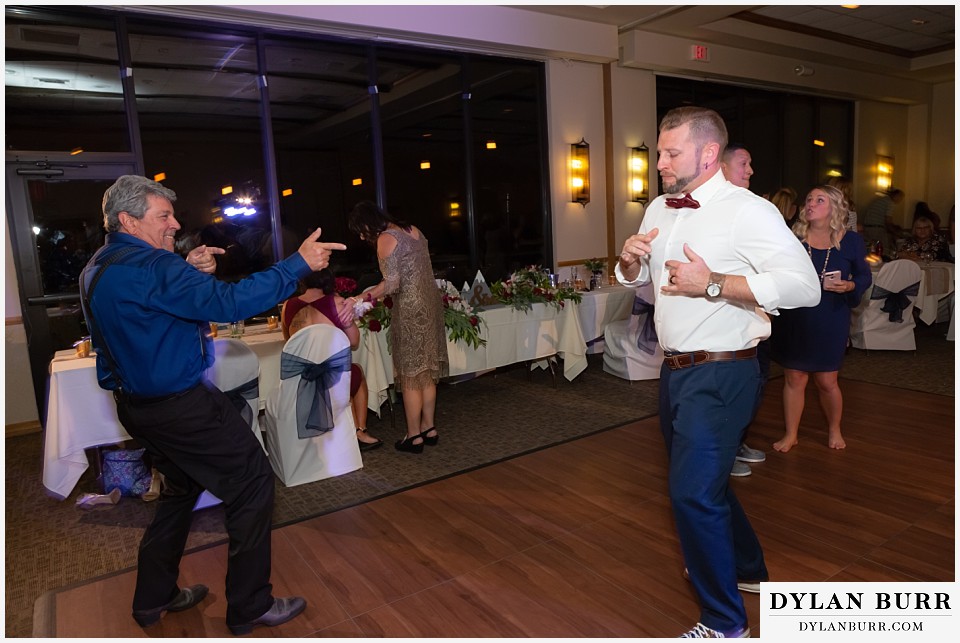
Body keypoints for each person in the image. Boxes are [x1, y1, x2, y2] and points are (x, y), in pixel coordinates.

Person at [80, 175, 346, 635]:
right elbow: (229, 302)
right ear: (127, 219)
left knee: (180, 491)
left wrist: (185, 266)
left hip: (136, 408)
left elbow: (151, 304)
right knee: (254, 483)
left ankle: (154, 598)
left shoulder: (100, 266)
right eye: (163, 215)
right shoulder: (153, 269)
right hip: (181, 408)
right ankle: (250, 606)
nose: (175, 222)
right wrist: (296, 265)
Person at [616, 107, 820, 638]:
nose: (659, 162)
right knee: (708, 488)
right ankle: (749, 570)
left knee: (691, 494)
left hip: (724, 371)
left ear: (708, 154)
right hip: (675, 370)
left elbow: (805, 288)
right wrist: (632, 264)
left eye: (670, 152)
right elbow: (646, 287)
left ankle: (724, 622)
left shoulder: (746, 211)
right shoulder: (660, 206)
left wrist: (713, 284)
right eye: (659, 151)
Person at [770, 185, 871, 452]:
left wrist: (849, 286)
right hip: (796, 316)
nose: (811, 203)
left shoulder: (850, 241)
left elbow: (864, 276)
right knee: (795, 377)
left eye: (820, 199)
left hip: (831, 315)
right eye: (809, 198)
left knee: (827, 380)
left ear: (834, 208)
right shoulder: (793, 238)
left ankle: (834, 429)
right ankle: (791, 434)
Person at [347, 201, 448, 453]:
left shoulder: (385, 238)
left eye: (361, 230)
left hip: (411, 309)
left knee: (411, 373)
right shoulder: (413, 229)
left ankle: (413, 436)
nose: (362, 236)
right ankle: (429, 427)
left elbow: (392, 283)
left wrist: (363, 297)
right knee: (426, 370)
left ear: (369, 223)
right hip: (431, 303)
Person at [281, 268, 382, 451]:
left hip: (303, 379)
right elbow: (353, 341)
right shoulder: (337, 303)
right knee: (356, 369)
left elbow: (289, 342)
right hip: (332, 379)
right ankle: (359, 431)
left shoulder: (288, 306)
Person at [720, 143, 767, 478]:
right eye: (744, 163)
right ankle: (725, 453)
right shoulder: (709, 214)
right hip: (726, 325)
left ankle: (737, 442)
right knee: (725, 397)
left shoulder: (753, 210)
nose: (750, 170)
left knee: (755, 387)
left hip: (755, 318)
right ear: (721, 166)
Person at [861, 188, 904, 256]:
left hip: (867, 227)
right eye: (900, 197)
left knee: (871, 251)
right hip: (876, 228)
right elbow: (888, 221)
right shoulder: (890, 202)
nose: (900, 200)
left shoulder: (882, 199)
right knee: (884, 251)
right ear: (896, 196)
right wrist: (896, 232)